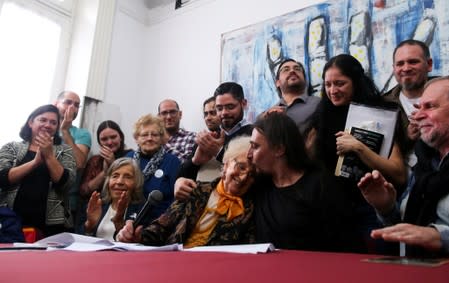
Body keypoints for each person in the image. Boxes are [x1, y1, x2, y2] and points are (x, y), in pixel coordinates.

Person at [305, 54, 407, 253]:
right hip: (334, 210)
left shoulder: (381, 113)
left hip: (373, 208)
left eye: (340, 83)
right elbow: (304, 159)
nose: (333, 91)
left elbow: (398, 173)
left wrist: (359, 147)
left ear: (356, 81)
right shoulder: (322, 116)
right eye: (327, 85)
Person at [358, 76, 449, 257]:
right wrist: (386, 207)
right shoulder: (424, 165)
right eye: (418, 107)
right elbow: (406, 230)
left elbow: (427, 235)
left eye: (430, 106)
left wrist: (439, 237)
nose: (418, 115)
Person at [116, 136, 256, 247]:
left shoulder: (251, 208)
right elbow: (161, 227)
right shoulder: (194, 190)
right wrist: (137, 237)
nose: (244, 178)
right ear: (225, 165)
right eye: (241, 167)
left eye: (253, 174)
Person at [247, 113, 349, 251]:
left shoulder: (320, 186)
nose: (249, 154)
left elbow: (342, 243)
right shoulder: (258, 185)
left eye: (255, 146)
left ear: (279, 149)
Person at [0, 104, 76, 237]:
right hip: (10, 222)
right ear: (30, 122)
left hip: (52, 229)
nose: (48, 125)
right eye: (43, 120)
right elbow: (3, 178)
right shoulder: (11, 147)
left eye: (53, 122)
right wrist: (35, 162)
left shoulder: (65, 150)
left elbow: (67, 183)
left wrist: (49, 156)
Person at [175, 82, 253, 197]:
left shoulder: (255, 134)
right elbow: (182, 175)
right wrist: (194, 162)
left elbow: (253, 174)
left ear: (244, 103)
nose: (224, 113)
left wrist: (219, 152)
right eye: (219, 108)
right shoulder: (210, 138)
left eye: (230, 107)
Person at [383, 39, 436, 168]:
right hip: (404, 185)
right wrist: (408, 138)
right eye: (400, 64)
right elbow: (382, 153)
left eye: (413, 62)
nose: (406, 68)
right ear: (394, 68)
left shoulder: (445, 93)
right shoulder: (384, 104)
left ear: (429, 64)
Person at [126, 114, 181, 224]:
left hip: (158, 224)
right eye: (144, 135)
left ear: (161, 138)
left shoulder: (172, 162)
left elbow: (176, 200)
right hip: (126, 221)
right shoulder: (128, 158)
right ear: (137, 139)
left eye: (154, 135)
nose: (149, 138)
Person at [81, 158, 144, 241]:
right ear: (108, 181)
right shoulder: (96, 206)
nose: (119, 182)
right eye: (115, 176)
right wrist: (89, 224)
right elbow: (78, 240)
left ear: (136, 182)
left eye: (127, 177)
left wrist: (119, 223)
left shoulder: (142, 211)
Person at [54, 91, 92, 228]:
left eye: (76, 105)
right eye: (68, 102)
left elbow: (80, 163)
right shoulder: (45, 127)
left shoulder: (82, 134)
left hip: (66, 205)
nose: (72, 107)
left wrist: (65, 131)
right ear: (56, 104)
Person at [262, 58, 320, 134]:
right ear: (278, 83)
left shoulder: (319, 104)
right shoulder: (267, 114)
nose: (292, 71)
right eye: (286, 70)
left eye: (297, 69)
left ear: (305, 80)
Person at [80, 120, 132, 199]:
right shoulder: (95, 160)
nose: (110, 142)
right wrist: (105, 172)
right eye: (104, 139)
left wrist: (113, 165)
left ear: (120, 137)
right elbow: (84, 191)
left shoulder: (131, 157)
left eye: (113, 137)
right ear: (99, 142)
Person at [158, 99, 196, 163]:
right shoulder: (153, 139)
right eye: (164, 113)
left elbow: (187, 164)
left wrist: (165, 144)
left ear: (180, 114)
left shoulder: (192, 137)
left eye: (172, 112)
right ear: (158, 117)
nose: (168, 117)